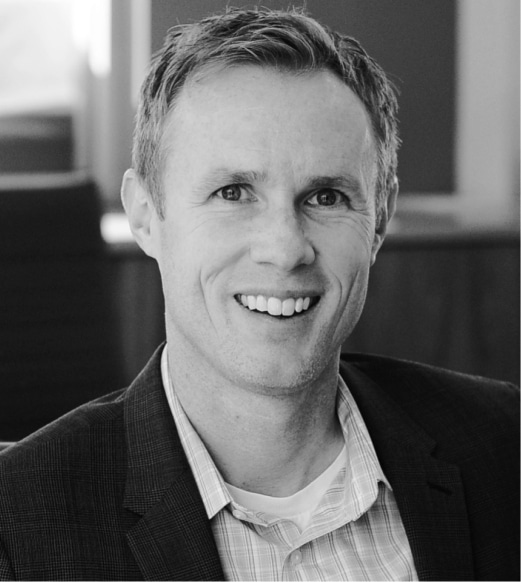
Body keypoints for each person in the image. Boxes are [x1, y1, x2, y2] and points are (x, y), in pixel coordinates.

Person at [0, 7, 518, 581]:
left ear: (380, 218)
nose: (285, 248)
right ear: (146, 215)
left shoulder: (505, 446)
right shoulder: (18, 525)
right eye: (233, 191)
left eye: (326, 197)